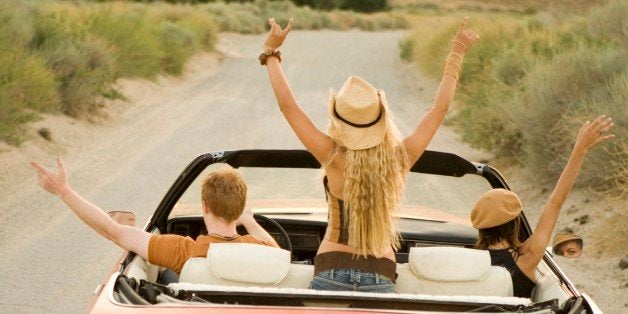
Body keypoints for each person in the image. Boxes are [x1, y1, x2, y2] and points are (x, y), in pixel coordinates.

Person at [261, 17, 479, 292]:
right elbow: (439, 110)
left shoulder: (332, 156)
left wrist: (271, 53)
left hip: (330, 270)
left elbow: (289, 107)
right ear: (380, 119)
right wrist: (457, 52)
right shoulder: (399, 158)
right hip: (380, 273)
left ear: (338, 119)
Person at [31, 161, 278, 275]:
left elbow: (111, 230)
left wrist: (64, 191)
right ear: (241, 207)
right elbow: (278, 252)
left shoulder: (182, 251)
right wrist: (251, 223)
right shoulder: (263, 252)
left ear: (204, 206)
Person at [470, 115, 614, 298]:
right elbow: (555, 202)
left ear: (481, 227)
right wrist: (580, 149)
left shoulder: (469, 263)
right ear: (514, 224)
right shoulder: (526, 257)